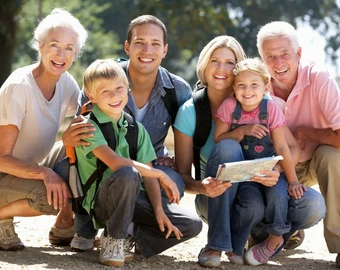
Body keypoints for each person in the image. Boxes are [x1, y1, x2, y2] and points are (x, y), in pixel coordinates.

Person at [174, 35, 325, 268]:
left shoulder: (263, 102)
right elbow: (183, 174)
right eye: (215, 61)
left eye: (230, 63)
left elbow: (290, 147)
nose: (222, 68)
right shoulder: (192, 110)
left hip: (259, 185)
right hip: (216, 195)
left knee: (313, 205)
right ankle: (217, 243)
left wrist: (275, 170)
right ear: (204, 65)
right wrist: (203, 186)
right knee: (227, 146)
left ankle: (266, 237)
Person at [60, 15, 202, 257]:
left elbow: (183, 140)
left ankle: (130, 233)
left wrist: (161, 199)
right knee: (69, 164)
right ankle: (88, 228)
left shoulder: (177, 90)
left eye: (156, 43)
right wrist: (67, 139)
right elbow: (80, 135)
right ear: (127, 47)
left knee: (185, 210)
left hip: (147, 170)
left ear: (165, 50)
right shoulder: (100, 79)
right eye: (140, 42)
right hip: (101, 172)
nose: (147, 50)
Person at [256, 21, 340, 269]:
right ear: (262, 59)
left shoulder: (318, 78)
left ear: (299, 54)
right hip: (284, 162)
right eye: (270, 56)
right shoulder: (257, 86)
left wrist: (306, 133)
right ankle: (291, 229)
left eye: (285, 54)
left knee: (332, 155)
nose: (278, 63)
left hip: (321, 159)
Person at [77, 59, 182, 266]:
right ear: (91, 97)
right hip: (99, 204)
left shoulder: (136, 128)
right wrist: (161, 174)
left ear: (128, 89)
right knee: (128, 172)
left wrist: (159, 211)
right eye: (105, 91)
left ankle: (131, 235)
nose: (115, 96)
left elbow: (148, 174)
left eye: (119, 88)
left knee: (190, 225)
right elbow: (117, 162)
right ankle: (114, 240)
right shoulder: (89, 126)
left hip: (130, 199)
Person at [0, 8, 88, 250]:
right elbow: (1, 159)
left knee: (85, 146)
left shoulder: (66, 81)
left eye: (69, 48)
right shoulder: (20, 86)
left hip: (25, 166)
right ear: (40, 46)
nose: (61, 54)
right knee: (52, 196)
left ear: (76, 53)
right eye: (54, 45)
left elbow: (90, 116)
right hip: (3, 170)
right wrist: (45, 174)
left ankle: (64, 226)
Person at [213, 57, 306, 265]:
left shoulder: (270, 108)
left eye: (254, 85)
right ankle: (235, 247)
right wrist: (243, 130)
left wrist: (292, 180)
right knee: (250, 206)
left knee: (278, 194)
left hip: (270, 168)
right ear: (234, 88)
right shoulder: (229, 107)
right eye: (241, 86)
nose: (247, 91)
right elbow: (219, 139)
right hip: (245, 173)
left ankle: (276, 237)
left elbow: (282, 147)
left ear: (266, 87)